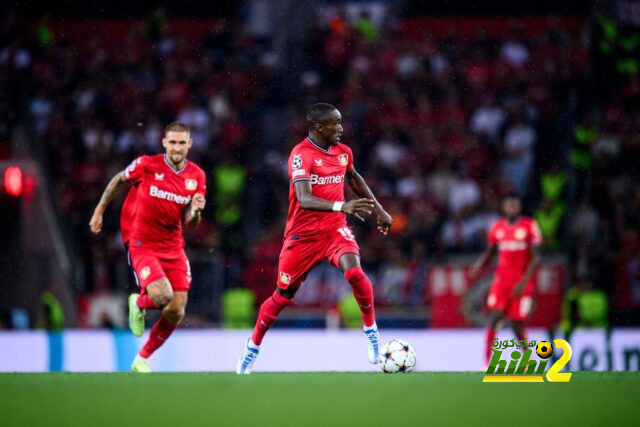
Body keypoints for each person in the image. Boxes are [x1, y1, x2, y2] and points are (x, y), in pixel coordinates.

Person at [236, 103, 393, 374]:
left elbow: (354, 178)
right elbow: (304, 198)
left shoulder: (343, 152)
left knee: (355, 272)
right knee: (282, 296)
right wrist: (341, 206)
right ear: (319, 127)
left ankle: (371, 332)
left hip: (335, 230)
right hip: (302, 236)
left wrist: (379, 209)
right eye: (336, 123)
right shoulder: (301, 155)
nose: (342, 128)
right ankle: (252, 348)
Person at [89, 121, 206, 372]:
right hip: (142, 243)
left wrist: (195, 211)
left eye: (181, 143)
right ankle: (139, 302)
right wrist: (99, 211)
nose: (176, 148)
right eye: (172, 142)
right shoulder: (147, 165)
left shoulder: (197, 176)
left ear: (190, 144)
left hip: (173, 246)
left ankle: (141, 358)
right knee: (162, 296)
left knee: (177, 310)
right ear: (164, 143)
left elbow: (191, 223)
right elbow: (119, 179)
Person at [469, 194, 541, 366]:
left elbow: (536, 258)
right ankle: (487, 363)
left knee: (517, 325)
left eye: (514, 205)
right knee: (494, 318)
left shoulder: (529, 226)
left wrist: (523, 283)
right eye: (508, 206)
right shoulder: (497, 228)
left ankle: (529, 360)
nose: (512, 209)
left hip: (521, 283)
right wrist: (479, 265)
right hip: (501, 282)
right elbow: (491, 251)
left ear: (519, 207)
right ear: (504, 208)